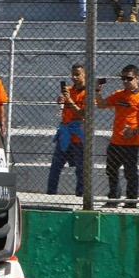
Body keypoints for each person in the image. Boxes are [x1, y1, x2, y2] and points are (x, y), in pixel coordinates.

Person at [94, 64, 139, 209]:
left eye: (129, 78)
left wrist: (135, 131)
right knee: (111, 170)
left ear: (137, 78)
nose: (126, 81)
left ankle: (131, 201)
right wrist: (97, 91)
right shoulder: (119, 94)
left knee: (130, 173)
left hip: (132, 142)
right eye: (123, 78)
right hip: (116, 140)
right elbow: (102, 105)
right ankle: (113, 198)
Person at [47, 64, 86, 197]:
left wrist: (69, 101)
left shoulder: (87, 93)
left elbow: (82, 114)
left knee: (80, 170)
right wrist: (61, 101)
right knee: (55, 167)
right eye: (73, 74)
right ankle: (50, 194)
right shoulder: (68, 90)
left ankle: (81, 196)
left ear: (84, 74)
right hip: (64, 135)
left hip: (78, 137)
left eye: (78, 74)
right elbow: (64, 106)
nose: (74, 77)